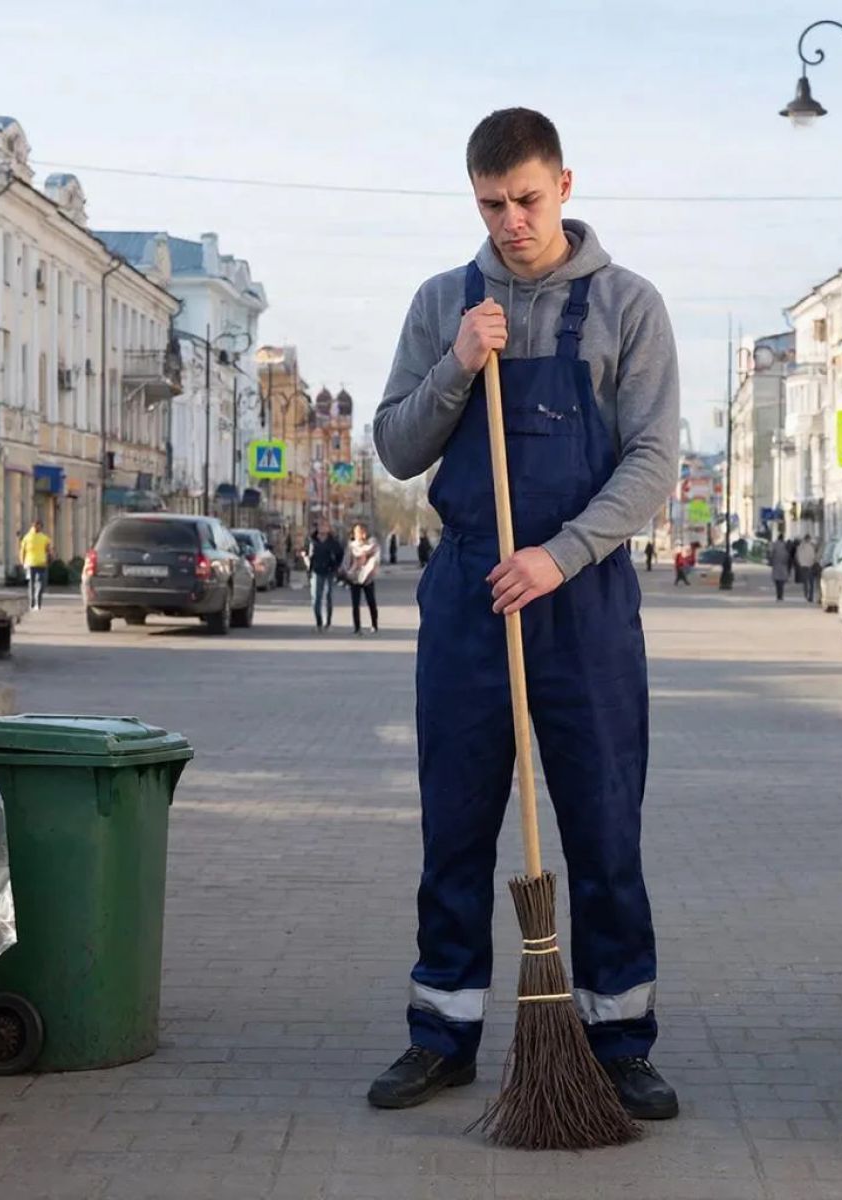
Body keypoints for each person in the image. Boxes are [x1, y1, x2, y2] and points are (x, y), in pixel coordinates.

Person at [368, 108, 679, 1120]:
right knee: (455, 824)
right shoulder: (441, 303)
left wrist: (559, 555)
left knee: (600, 823)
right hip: (466, 592)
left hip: (580, 599)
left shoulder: (629, 307)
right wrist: (459, 362)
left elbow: (652, 464)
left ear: (566, 186)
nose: (511, 222)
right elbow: (397, 448)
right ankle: (443, 1033)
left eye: (528, 200)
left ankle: (617, 1036)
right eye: (492, 203)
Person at [344, 522, 381, 635]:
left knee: (371, 601)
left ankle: (374, 624)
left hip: (367, 577)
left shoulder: (372, 546)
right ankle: (357, 627)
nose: (359, 534)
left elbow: (376, 560)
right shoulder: (351, 547)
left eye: (361, 532)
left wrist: (370, 569)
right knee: (355, 603)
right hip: (354, 577)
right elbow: (346, 561)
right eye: (357, 532)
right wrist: (347, 572)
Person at [308, 525, 343, 630]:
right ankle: (319, 622)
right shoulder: (312, 541)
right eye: (321, 525)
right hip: (316, 571)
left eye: (325, 526)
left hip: (329, 571)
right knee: (316, 598)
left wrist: (336, 566)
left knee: (328, 597)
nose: (323, 528)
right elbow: (306, 553)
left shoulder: (333, 542)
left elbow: (340, 554)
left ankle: (328, 622)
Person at [19, 519, 52, 611]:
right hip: (31, 563)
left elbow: (48, 550)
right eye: (36, 526)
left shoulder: (44, 538)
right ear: (33, 526)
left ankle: (36, 602)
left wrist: (50, 557)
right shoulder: (27, 537)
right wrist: (22, 562)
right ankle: (33, 603)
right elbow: (23, 551)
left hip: (40, 564)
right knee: (33, 584)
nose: (37, 527)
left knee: (39, 584)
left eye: (39, 526)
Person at [795, 535, 818, 603]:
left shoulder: (800, 547)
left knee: (805, 581)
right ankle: (810, 596)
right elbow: (813, 557)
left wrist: (800, 563)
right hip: (809, 566)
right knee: (811, 582)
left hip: (803, 565)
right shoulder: (811, 547)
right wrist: (813, 563)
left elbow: (797, 556)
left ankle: (806, 594)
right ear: (809, 539)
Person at [769, 536, 792, 602]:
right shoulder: (785, 545)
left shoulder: (774, 545)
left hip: (776, 565)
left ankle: (778, 596)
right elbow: (788, 556)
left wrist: (772, 561)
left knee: (777, 582)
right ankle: (781, 596)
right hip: (783, 566)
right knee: (781, 582)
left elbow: (771, 554)